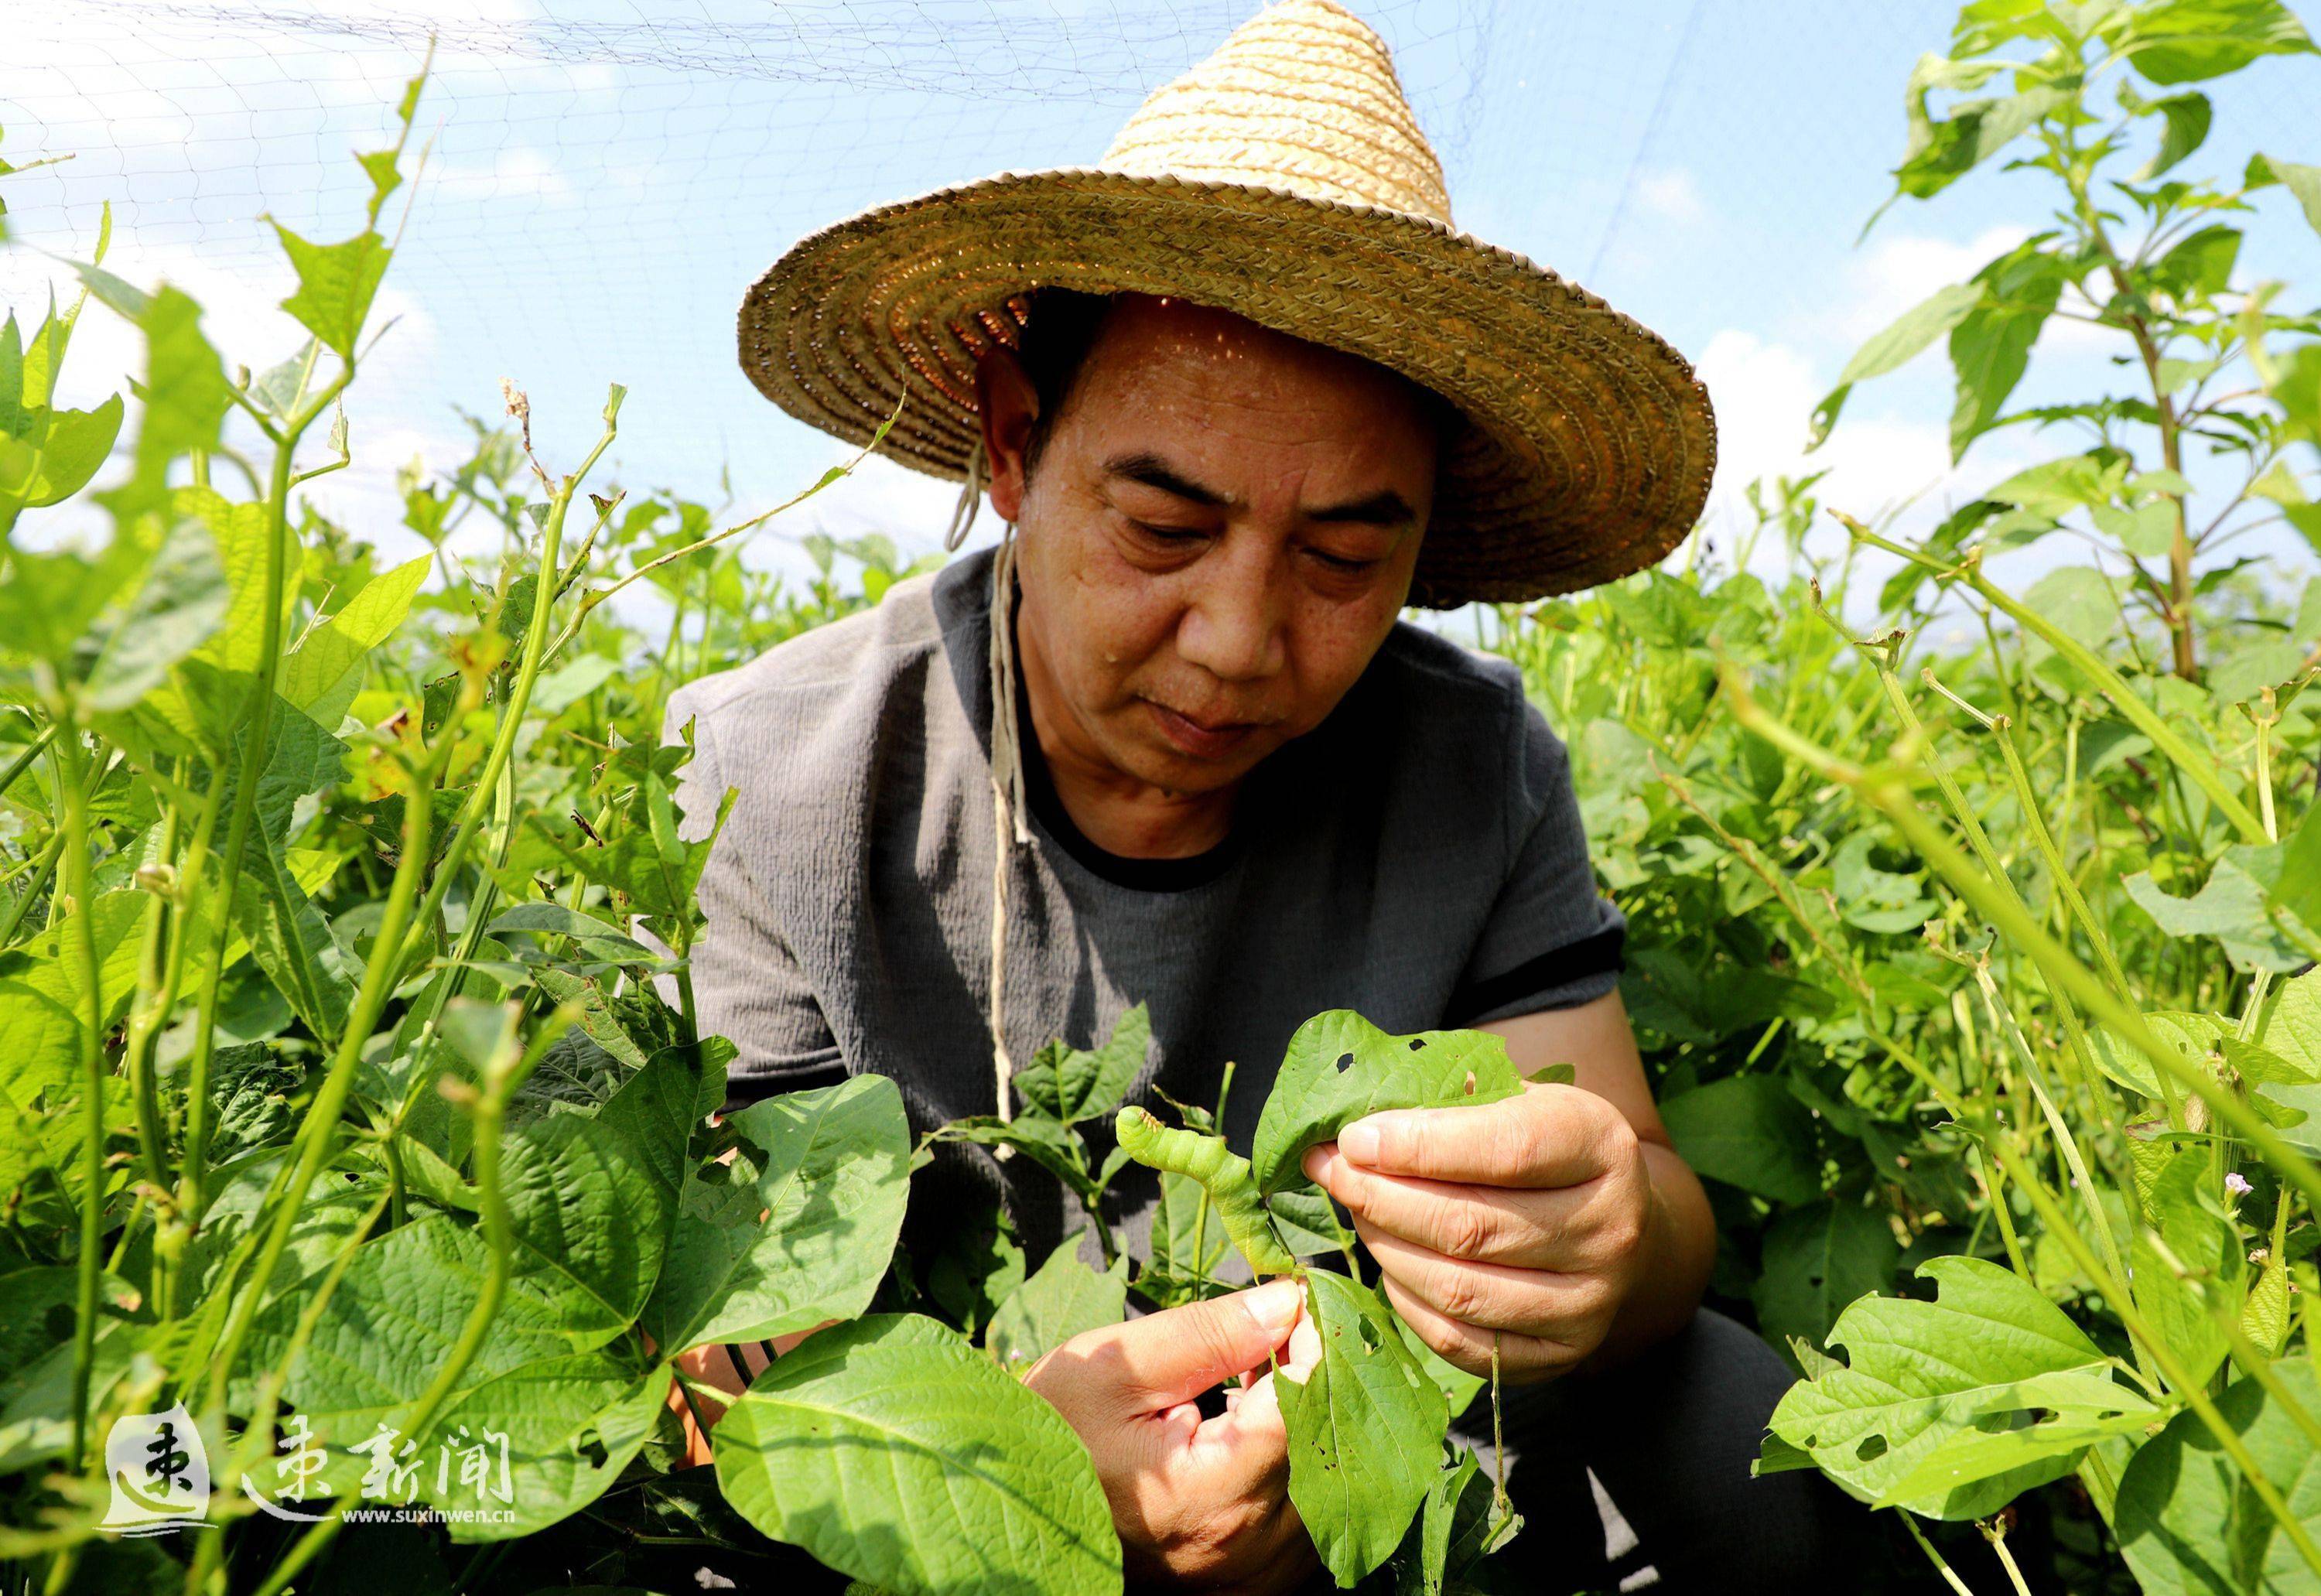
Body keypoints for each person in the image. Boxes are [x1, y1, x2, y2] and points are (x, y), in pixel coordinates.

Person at [665, 2, 1854, 1589]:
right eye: (1163, 527)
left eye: (1348, 559)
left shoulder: (1470, 759)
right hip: (953, 1464)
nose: (1237, 643)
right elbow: (724, 1372)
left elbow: (1645, 1192)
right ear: (1018, 447)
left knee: (1731, 1411)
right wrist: (1011, 1488)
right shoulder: (779, 774)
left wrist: (1601, 1246)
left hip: (1373, 1445)